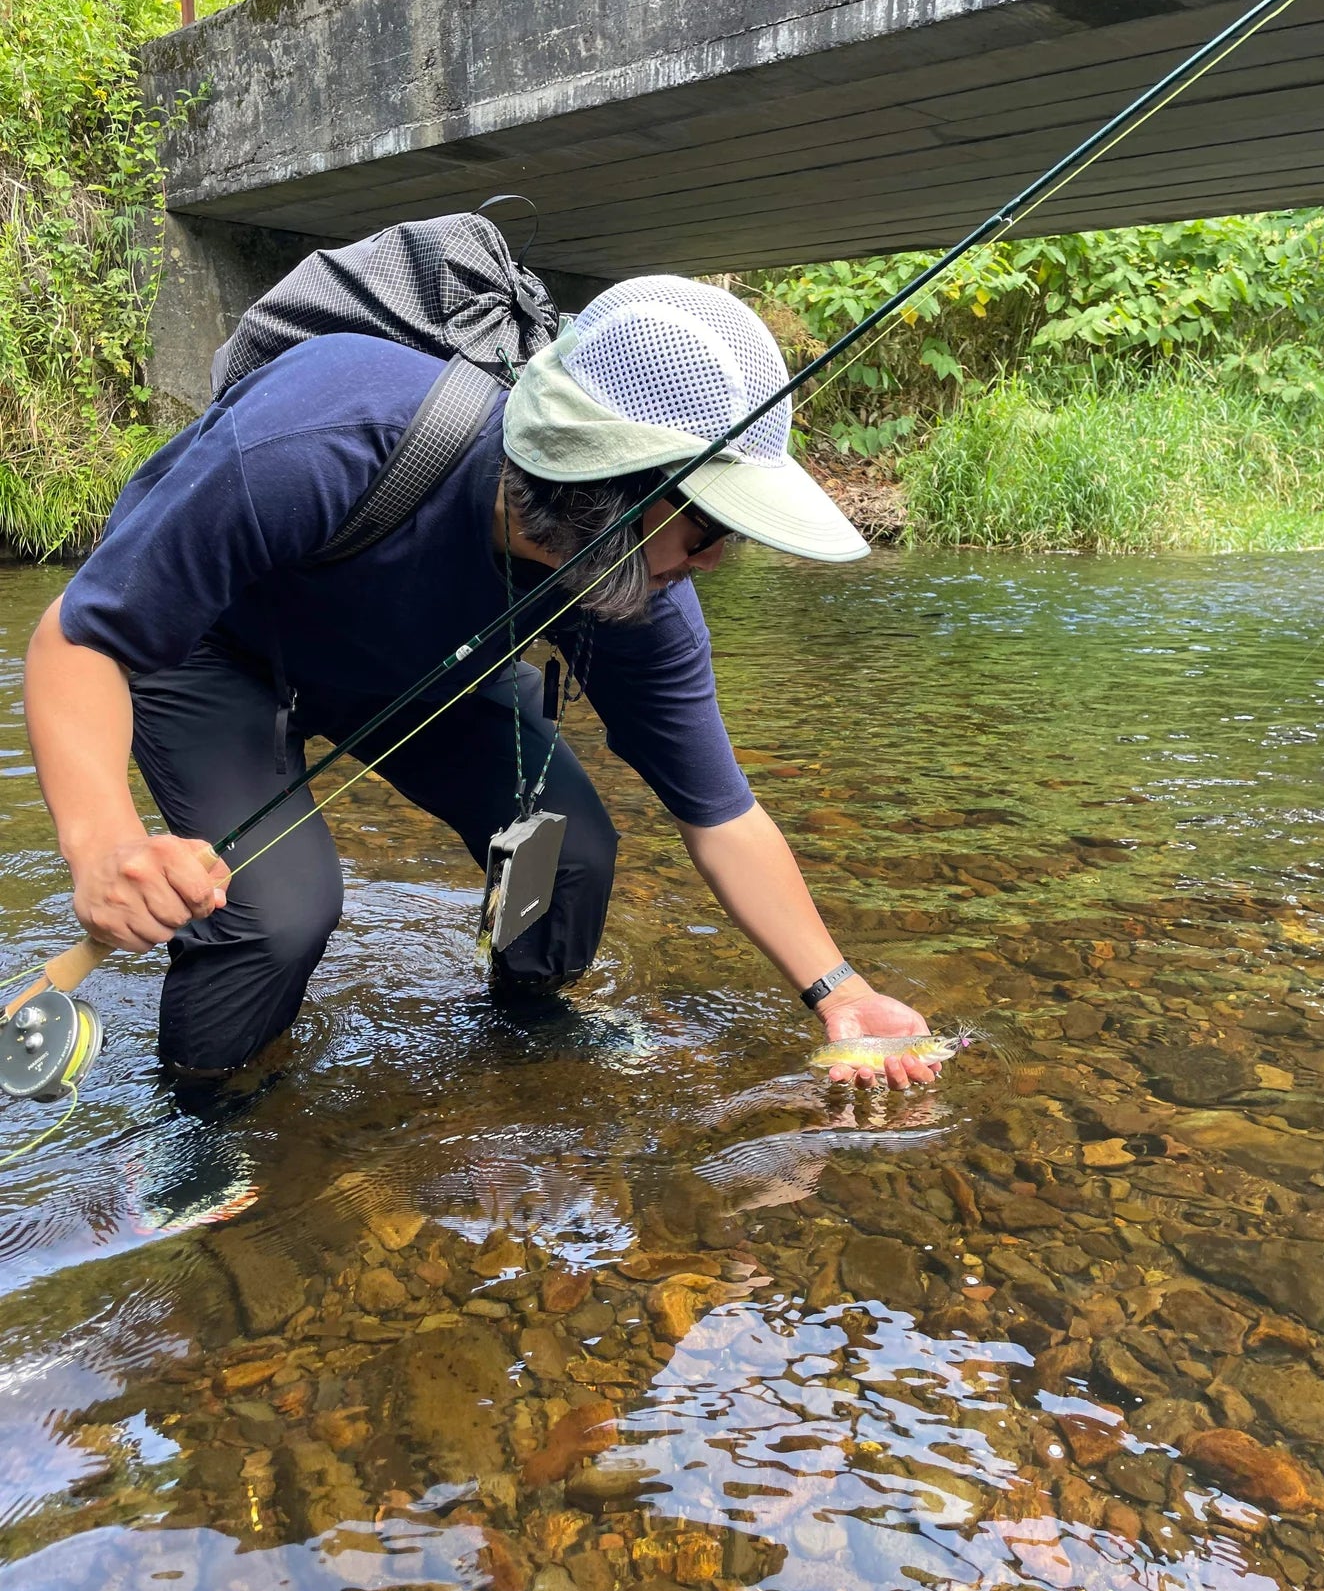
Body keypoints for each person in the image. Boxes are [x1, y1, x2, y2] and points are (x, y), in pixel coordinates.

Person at [24, 276, 938, 1090]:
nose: (720, 558)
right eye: (709, 529)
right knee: (278, 911)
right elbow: (79, 637)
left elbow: (721, 813)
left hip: (411, 679)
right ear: (611, 487)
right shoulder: (324, 436)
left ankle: (524, 1026)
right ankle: (202, 1108)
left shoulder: (638, 592)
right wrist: (102, 845)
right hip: (216, 658)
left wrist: (840, 991)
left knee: (567, 850)